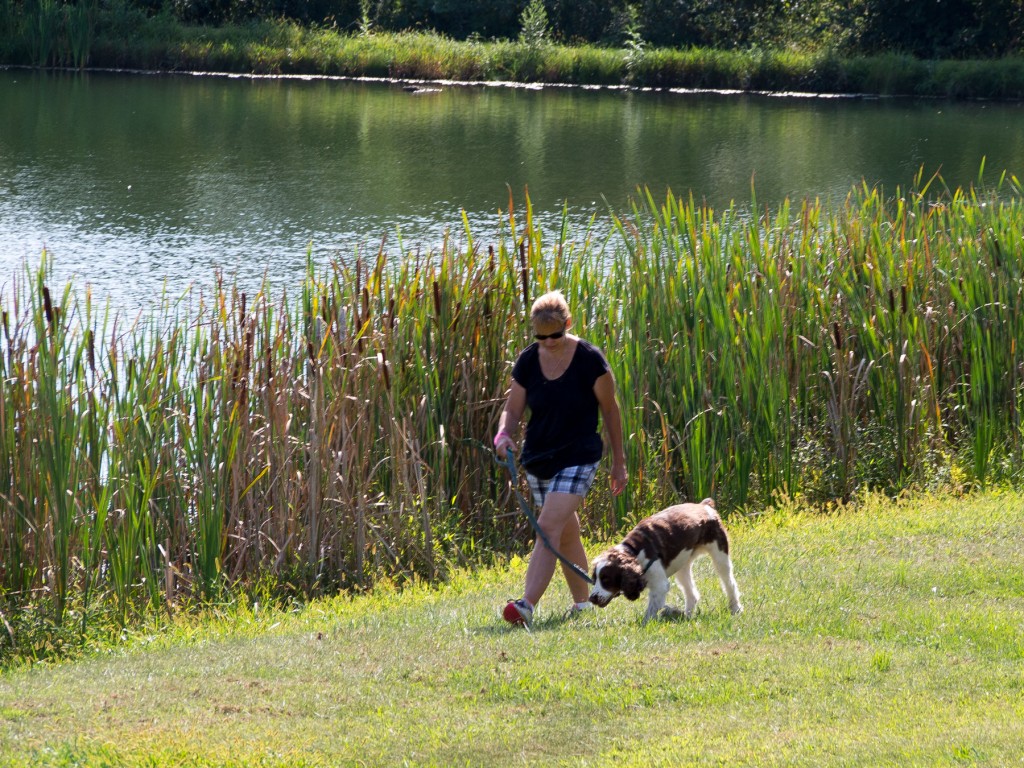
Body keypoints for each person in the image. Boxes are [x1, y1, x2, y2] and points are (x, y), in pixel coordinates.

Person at [493, 290, 628, 625]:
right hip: (539, 457)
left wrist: (619, 462)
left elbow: (611, 410)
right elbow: (512, 408)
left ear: (568, 324)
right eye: (541, 337)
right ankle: (583, 605)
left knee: (548, 526)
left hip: (580, 455)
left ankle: (525, 606)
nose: (549, 342)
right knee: (565, 532)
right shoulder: (528, 361)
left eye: (556, 334)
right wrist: (503, 434)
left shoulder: (589, 360)